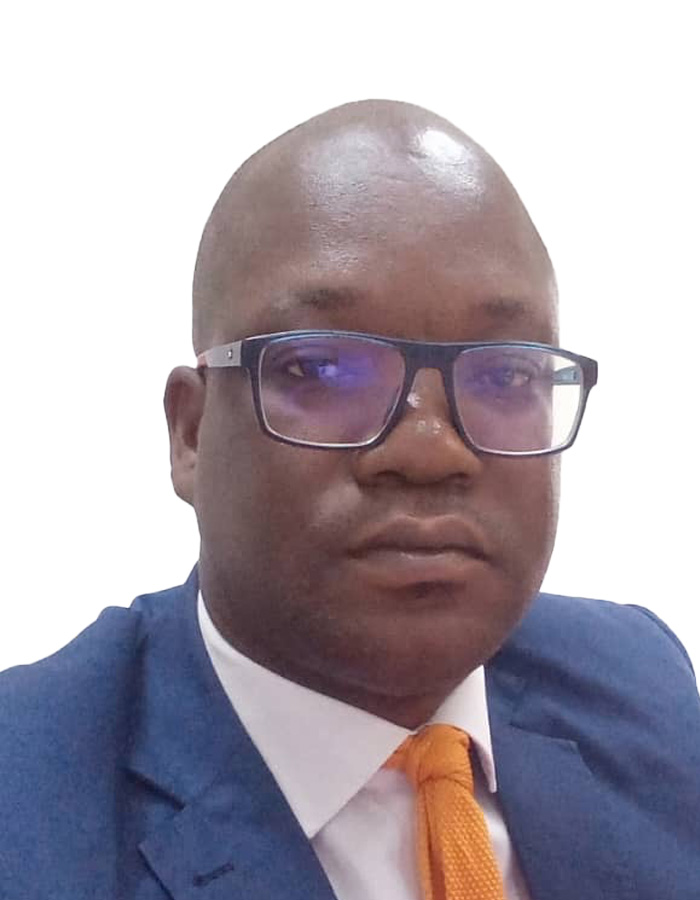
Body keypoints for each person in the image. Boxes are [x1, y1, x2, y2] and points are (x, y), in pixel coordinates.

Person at [1, 100, 698, 900]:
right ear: (191, 432)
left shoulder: (638, 681)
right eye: (323, 370)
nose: (431, 451)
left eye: (506, 375)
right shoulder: (28, 805)